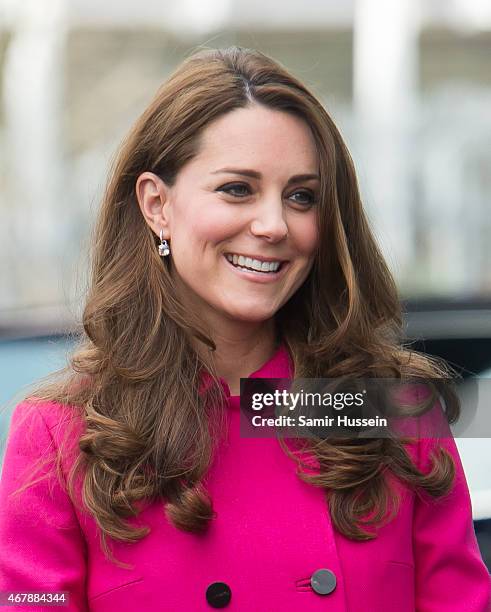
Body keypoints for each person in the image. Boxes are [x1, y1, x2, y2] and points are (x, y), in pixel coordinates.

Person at [0, 46, 489, 611]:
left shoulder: (383, 408)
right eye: (237, 188)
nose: (274, 224)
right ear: (157, 204)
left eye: (301, 196)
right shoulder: (61, 433)